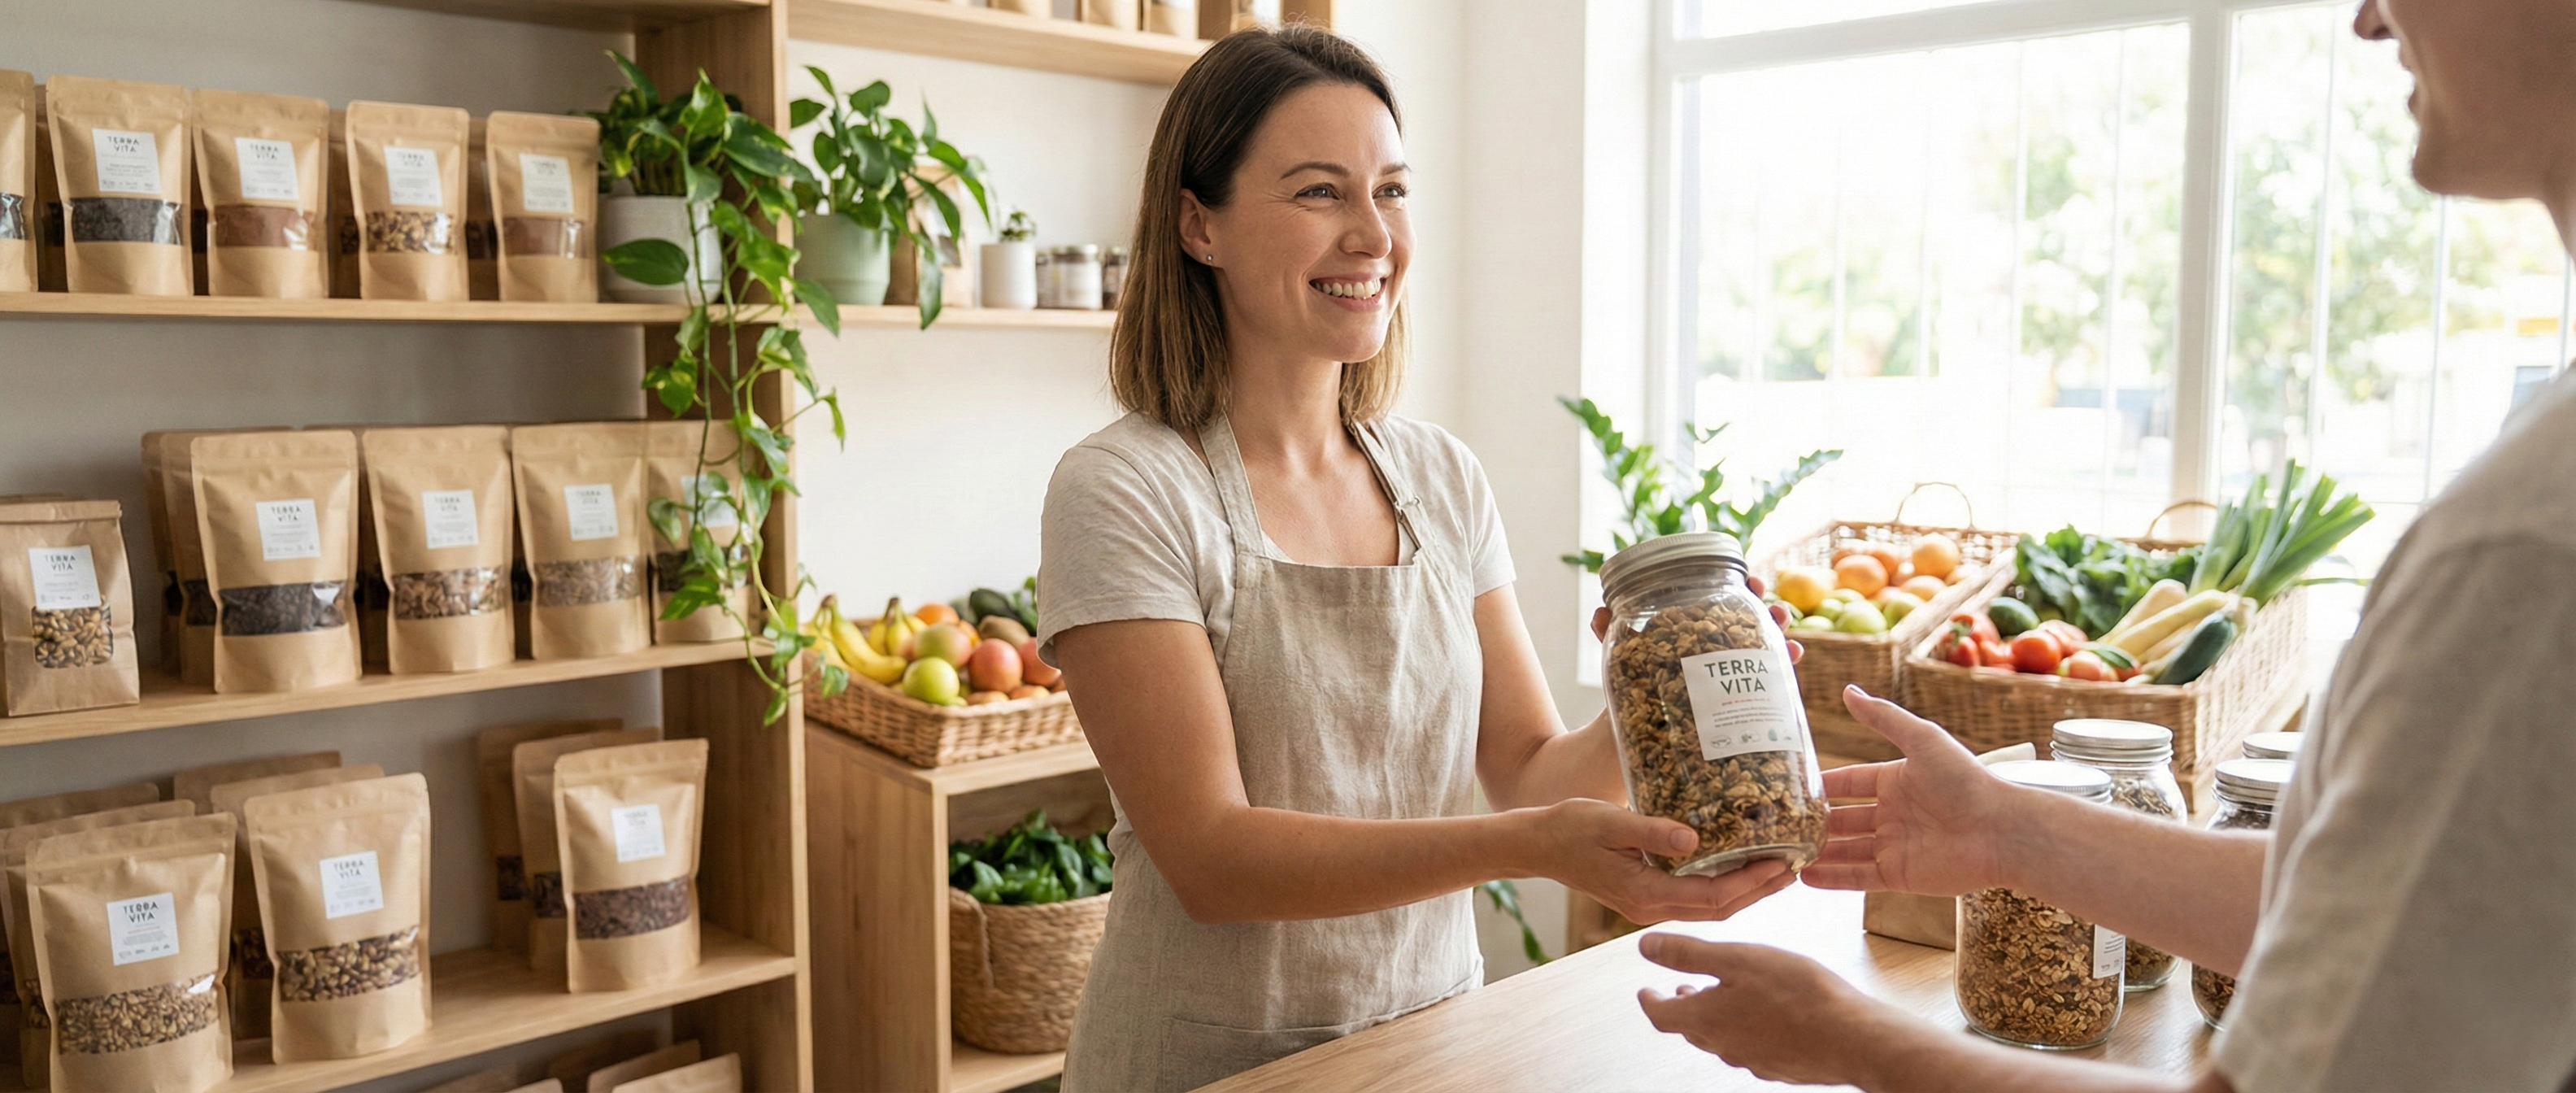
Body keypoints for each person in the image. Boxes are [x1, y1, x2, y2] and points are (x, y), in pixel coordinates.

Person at [1633, 2, 2576, 1091]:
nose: (2368, 18)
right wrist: (2012, 834)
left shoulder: (2525, 546)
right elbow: (2423, 909)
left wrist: (1857, 1044)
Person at [1038, 25, 1800, 1093]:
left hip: (1431, 1049)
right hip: (1207, 1066)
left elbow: (1527, 765)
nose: (1372, 236)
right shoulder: (1127, 489)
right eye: (1319, 194)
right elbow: (1211, 859)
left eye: (1391, 192)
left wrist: (1662, 676)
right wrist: (1533, 844)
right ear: (1196, 223)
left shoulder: (1440, 478)